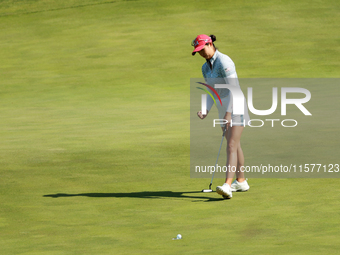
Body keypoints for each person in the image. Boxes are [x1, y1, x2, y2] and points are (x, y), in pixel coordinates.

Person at [192, 34, 250, 199]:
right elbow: (212, 91)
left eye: (202, 50)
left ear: (210, 44)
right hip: (222, 107)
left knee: (231, 145)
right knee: (235, 145)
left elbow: (235, 89)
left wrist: (229, 113)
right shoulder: (205, 68)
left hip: (235, 105)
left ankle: (227, 185)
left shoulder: (224, 61)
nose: (202, 54)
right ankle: (241, 181)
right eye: (198, 52)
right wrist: (205, 109)